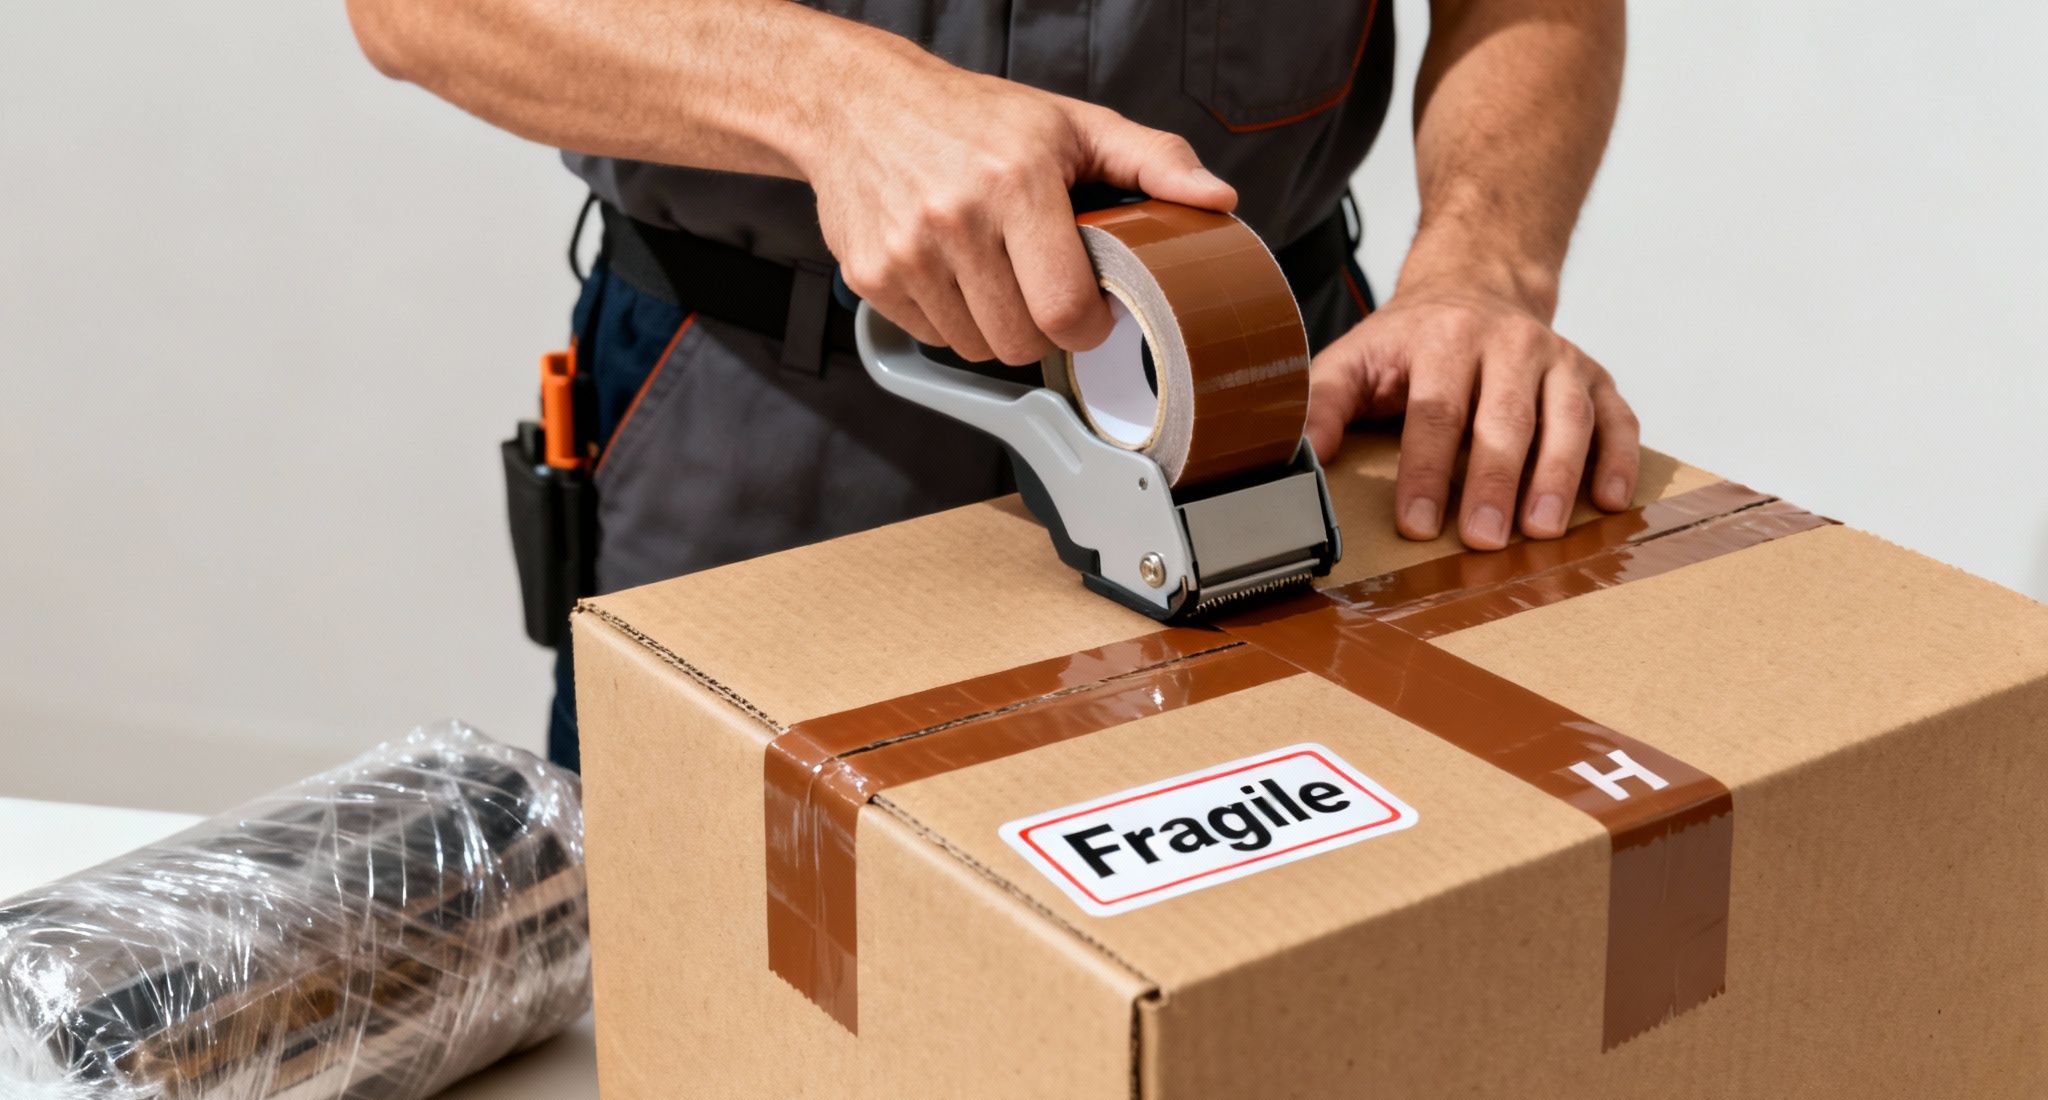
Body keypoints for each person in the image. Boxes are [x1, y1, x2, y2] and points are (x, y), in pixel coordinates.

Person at [346, 0, 1638, 770]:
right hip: (751, 417)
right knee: (742, 1030)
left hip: (1261, 404)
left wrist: (1484, 270)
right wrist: (833, 99)